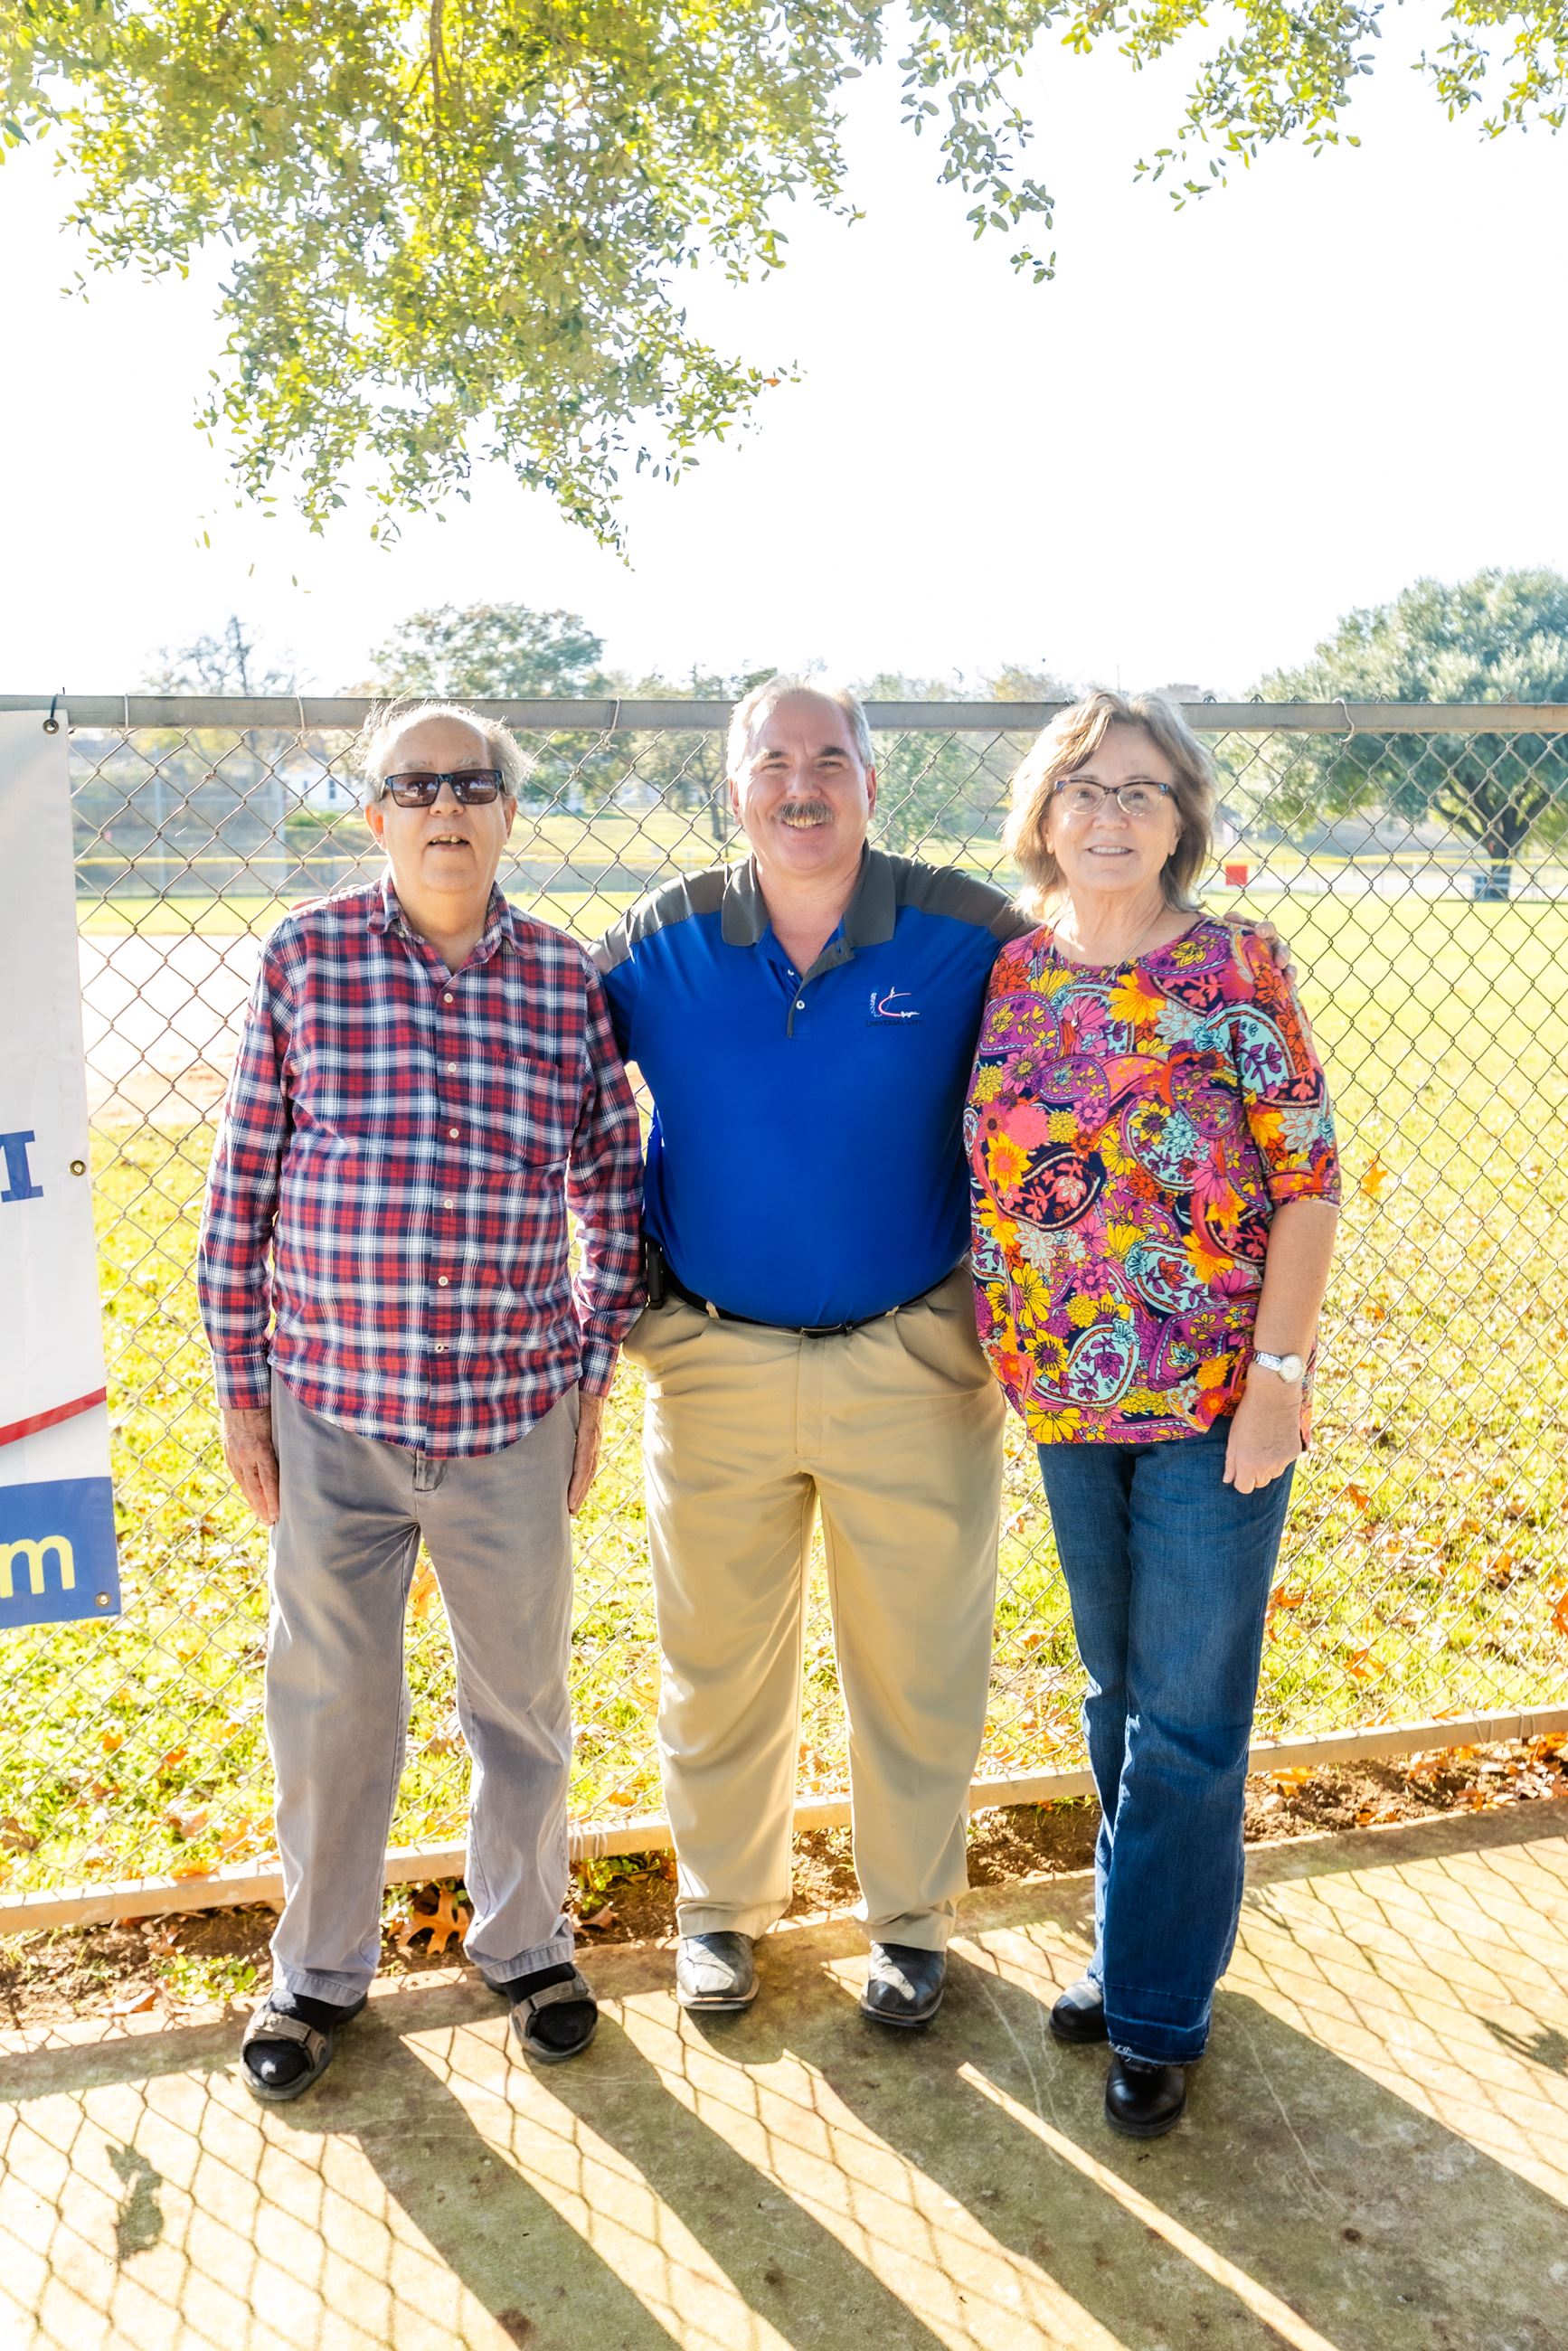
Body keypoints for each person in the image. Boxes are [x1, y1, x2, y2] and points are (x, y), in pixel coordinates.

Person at [593, 675, 1293, 2029]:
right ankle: (722, 1913)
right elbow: (559, 1097)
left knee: (917, 1663)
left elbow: (1102, 1044)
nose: (802, 785)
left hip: (911, 1354)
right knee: (715, 1656)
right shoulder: (662, 938)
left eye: (831, 759)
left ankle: (908, 1923)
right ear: (730, 785)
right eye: (772, 760)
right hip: (714, 1357)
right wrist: (627, 1304)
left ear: (872, 780)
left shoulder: (970, 935)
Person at [198, 701, 642, 2100]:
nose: (446, 808)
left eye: (473, 786)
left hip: (509, 1416)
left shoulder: (566, 981)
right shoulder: (308, 959)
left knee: (519, 1703)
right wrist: (237, 1384)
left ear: (510, 815)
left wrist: (585, 1376)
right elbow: (241, 1183)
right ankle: (318, 1972)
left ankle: (522, 1940)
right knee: (331, 1706)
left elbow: (609, 1186)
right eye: (414, 786)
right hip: (334, 1412)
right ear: (374, 815)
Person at [967, 689, 1340, 2137]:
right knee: (1118, 1698)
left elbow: (1305, 1182)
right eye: (1082, 788)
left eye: (1139, 789)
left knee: (1187, 1717)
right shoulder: (1011, 977)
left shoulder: (1235, 965)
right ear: (1042, 816)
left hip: (1211, 1400)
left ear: (1181, 815)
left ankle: (1159, 2010)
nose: (1109, 813)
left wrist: (1278, 1384)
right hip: (1063, 1394)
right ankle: (1137, 1949)